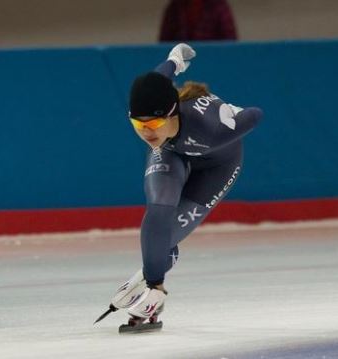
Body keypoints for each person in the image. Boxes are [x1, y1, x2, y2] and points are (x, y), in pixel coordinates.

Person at [97, 44, 262, 327]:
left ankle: (159, 264)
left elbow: (256, 114)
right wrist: (176, 59)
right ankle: (155, 287)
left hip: (217, 165)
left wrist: (234, 117)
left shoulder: (211, 131)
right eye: (139, 124)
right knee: (160, 209)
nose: (147, 132)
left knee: (167, 236)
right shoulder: (156, 106)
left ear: (172, 113)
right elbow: (161, 74)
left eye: (155, 122)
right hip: (172, 150)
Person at [159, 0, 238, 42]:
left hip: (212, 62)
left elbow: (230, 42)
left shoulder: (218, 6)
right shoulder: (174, 7)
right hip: (181, 65)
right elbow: (164, 44)